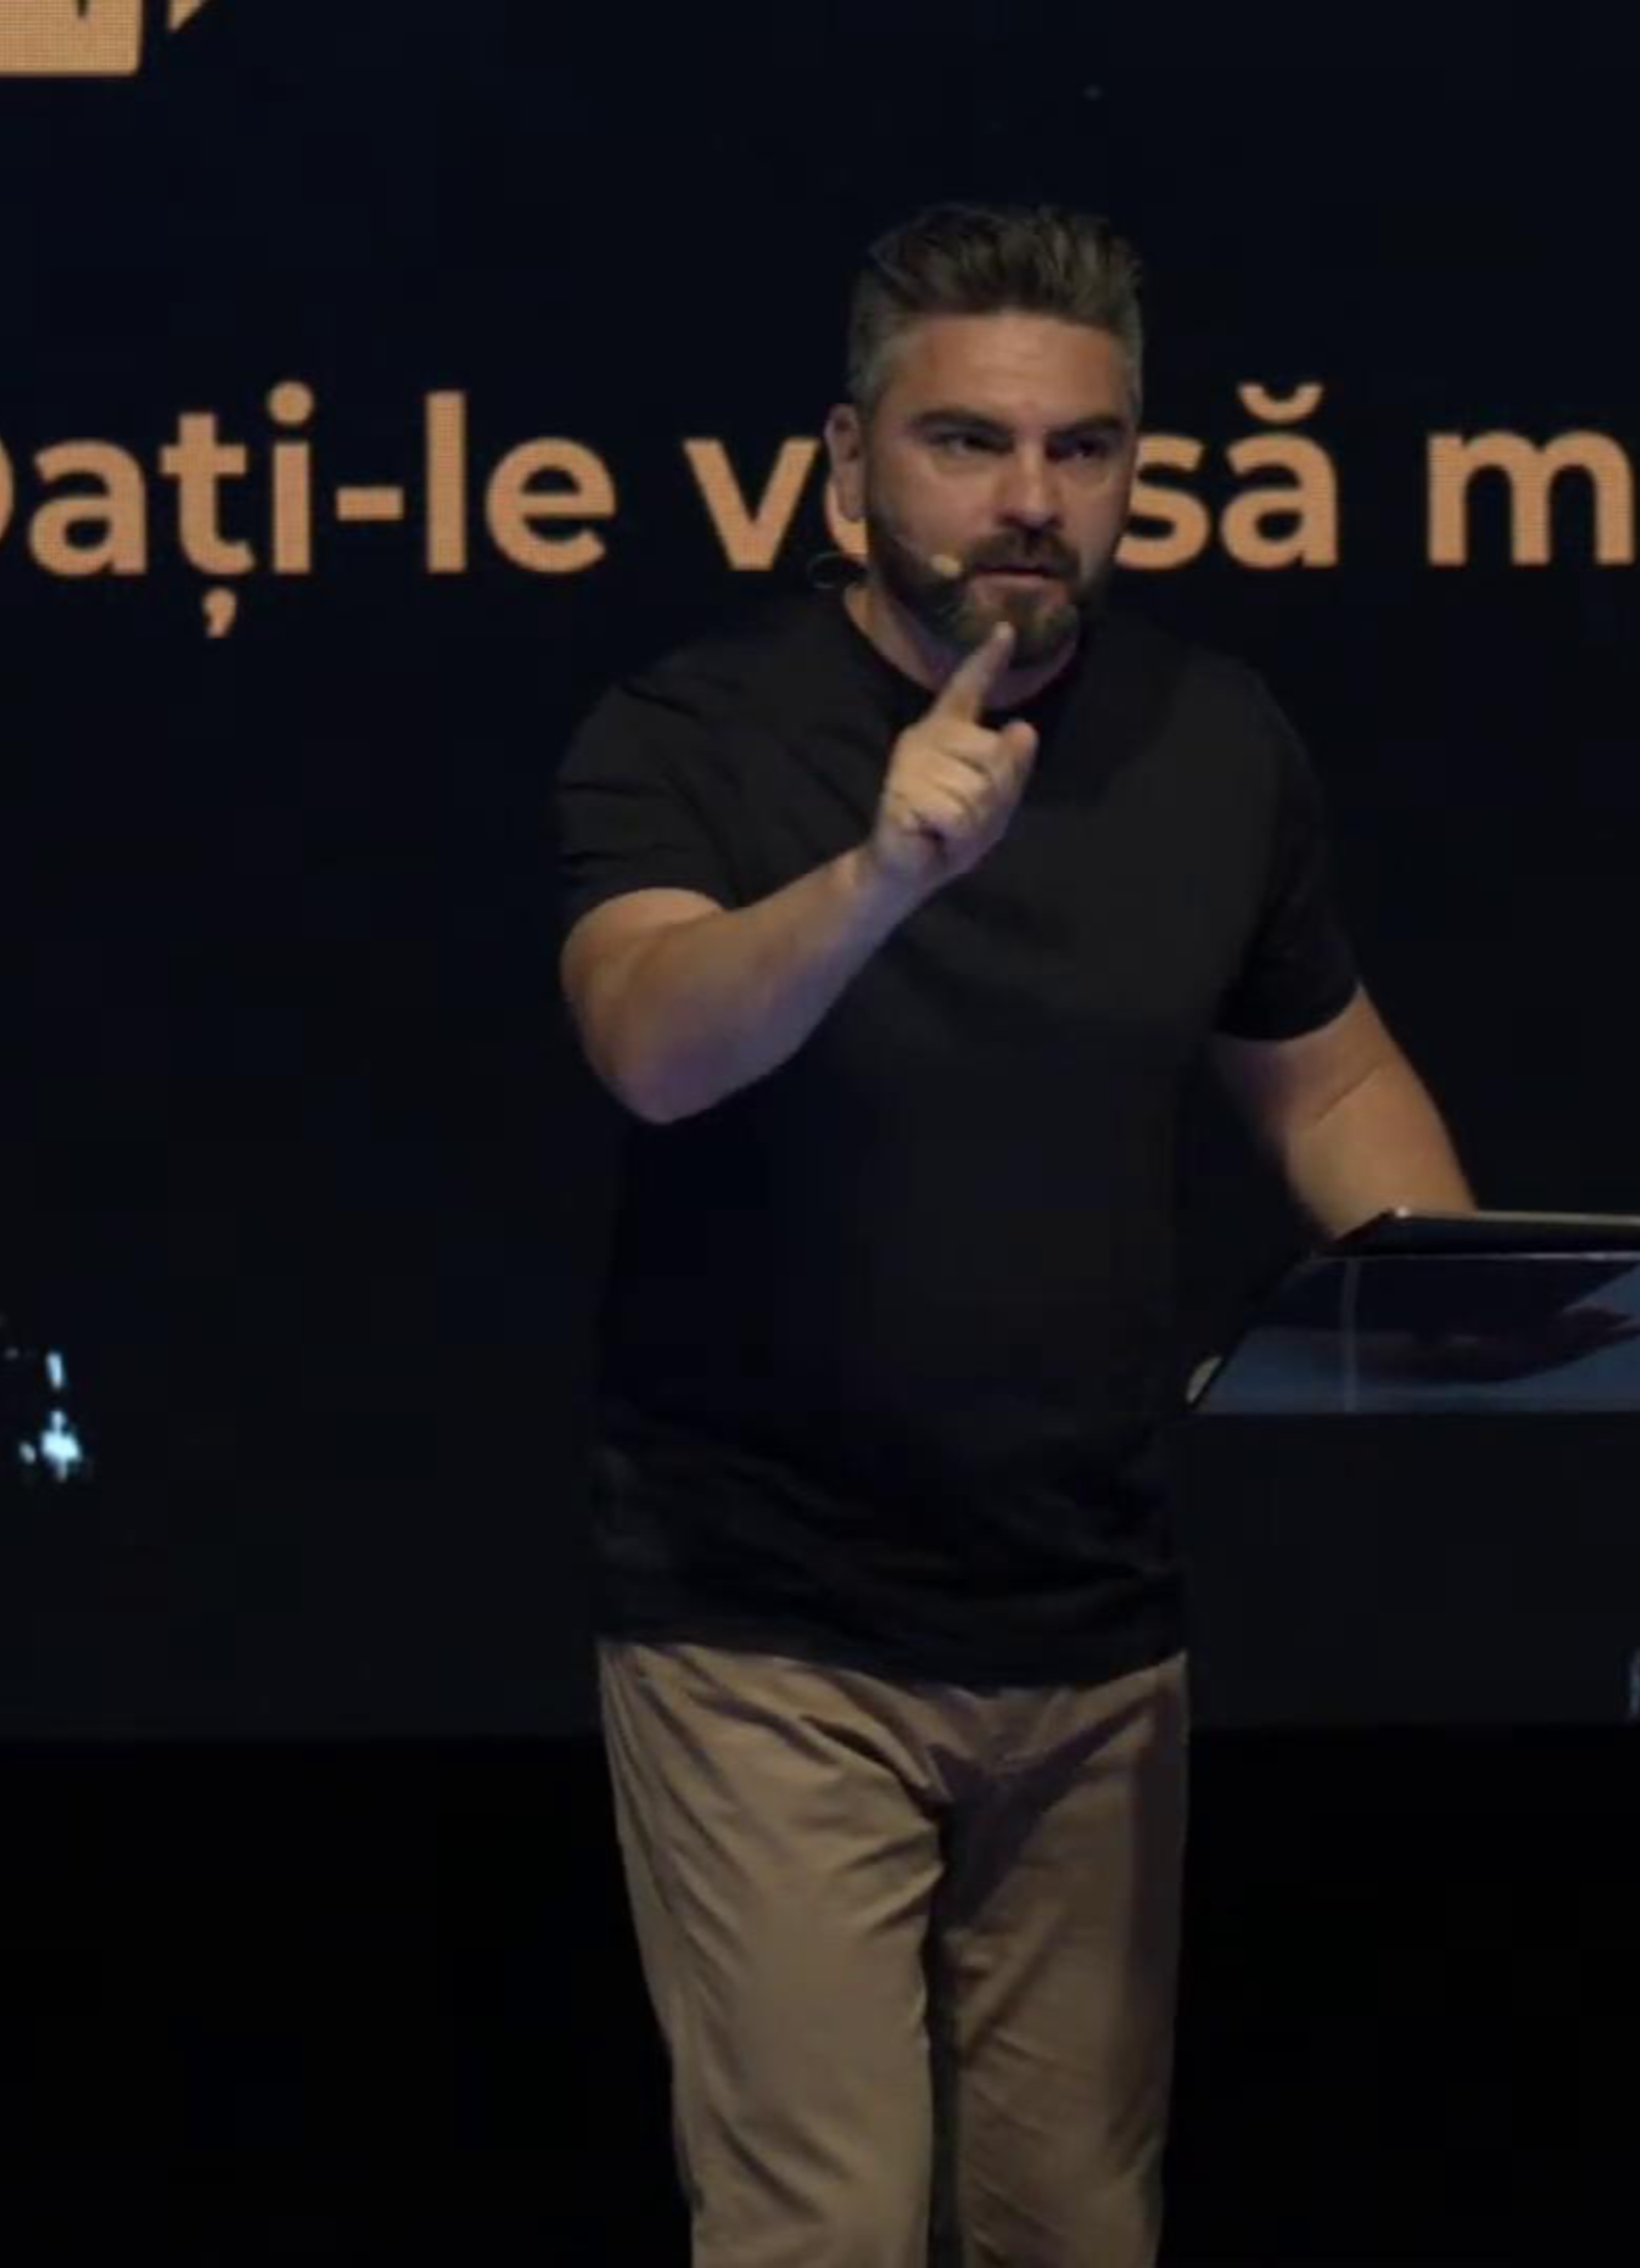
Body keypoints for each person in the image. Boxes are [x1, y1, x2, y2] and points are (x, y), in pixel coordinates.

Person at [551, 201, 1475, 2268]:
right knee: (830, 2227)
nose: (1031, 500)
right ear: (848, 459)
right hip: (767, 1623)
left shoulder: (1210, 738)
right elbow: (655, 1045)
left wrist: (1469, 1300)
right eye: (967, 442)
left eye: (1084, 448)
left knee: (1076, 2226)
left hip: (1090, 1629)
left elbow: (1327, 1084)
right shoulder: (693, 733)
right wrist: (879, 874)